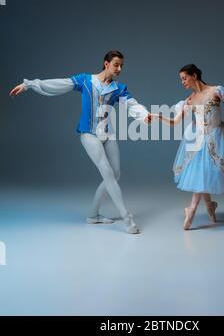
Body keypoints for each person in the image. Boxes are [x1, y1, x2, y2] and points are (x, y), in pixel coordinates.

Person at [9, 50, 151, 234]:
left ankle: (93, 215)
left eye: (122, 65)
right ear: (106, 63)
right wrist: (29, 84)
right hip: (88, 134)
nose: (120, 68)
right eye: (116, 64)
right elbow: (60, 84)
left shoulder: (118, 88)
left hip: (107, 134)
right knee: (107, 173)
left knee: (115, 174)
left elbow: (133, 104)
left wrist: (145, 115)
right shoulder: (85, 80)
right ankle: (127, 218)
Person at [151, 64, 224, 230]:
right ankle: (208, 206)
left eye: (184, 78)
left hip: (215, 137)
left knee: (204, 172)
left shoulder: (216, 91)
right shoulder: (190, 100)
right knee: (203, 173)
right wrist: (158, 116)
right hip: (197, 139)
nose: (183, 82)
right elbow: (175, 122)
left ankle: (192, 209)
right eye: (181, 79)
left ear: (194, 76)